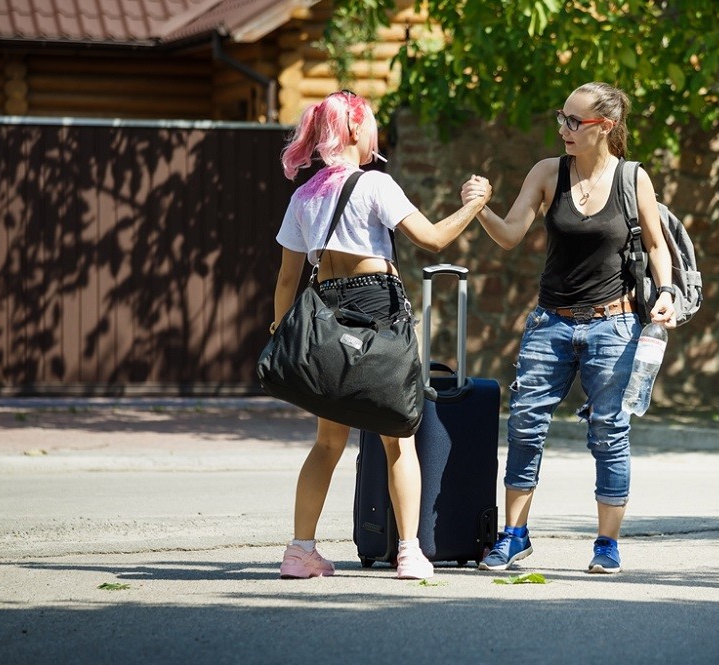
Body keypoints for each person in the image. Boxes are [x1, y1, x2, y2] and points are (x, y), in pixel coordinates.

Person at [272, 90, 490, 581]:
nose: (375, 132)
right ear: (354, 129)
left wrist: (282, 334)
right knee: (398, 440)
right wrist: (475, 206)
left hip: (325, 313)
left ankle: (299, 551)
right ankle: (410, 552)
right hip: (378, 310)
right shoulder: (374, 184)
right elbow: (433, 239)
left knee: (327, 443)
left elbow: (287, 280)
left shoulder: (304, 196)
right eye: (370, 123)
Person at [461, 82, 676, 574]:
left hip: (614, 325)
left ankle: (606, 544)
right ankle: (514, 536)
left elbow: (656, 245)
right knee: (525, 424)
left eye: (575, 121)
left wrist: (666, 291)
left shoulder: (633, 178)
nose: (564, 128)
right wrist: (479, 209)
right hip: (550, 323)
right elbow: (510, 235)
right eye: (561, 117)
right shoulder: (547, 172)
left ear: (606, 127)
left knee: (609, 430)